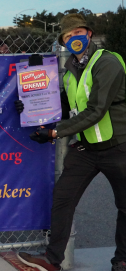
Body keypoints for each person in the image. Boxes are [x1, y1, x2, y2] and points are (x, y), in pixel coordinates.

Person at [16, 14, 126, 271]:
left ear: (88, 33)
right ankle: (53, 259)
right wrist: (30, 108)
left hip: (119, 146)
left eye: (78, 32)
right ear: (63, 42)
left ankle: (122, 259)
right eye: (67, 35)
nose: (73, 38)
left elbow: (97, 110)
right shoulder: (69, 72)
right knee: (63, 200)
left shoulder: (107, 62)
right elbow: (65, 107)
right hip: (86, 149)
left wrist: (55, 133)